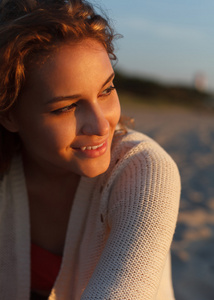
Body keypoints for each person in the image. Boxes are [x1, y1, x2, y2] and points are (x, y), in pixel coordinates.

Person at [0, 0, 180, 299]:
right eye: (68, 106)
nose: (101, 124)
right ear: (9, 115)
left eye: (107, 90)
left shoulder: (144, 169)